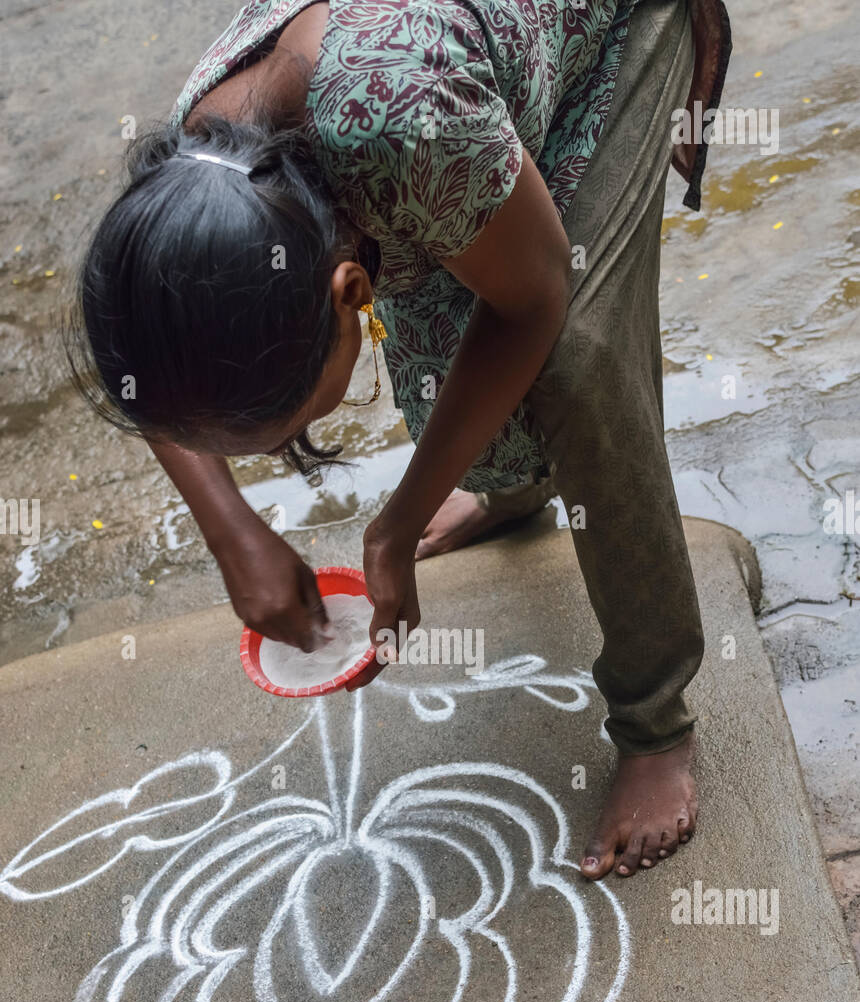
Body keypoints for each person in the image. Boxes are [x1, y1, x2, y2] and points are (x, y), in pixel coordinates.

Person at [66, 0, 732, 879]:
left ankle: (655, 724)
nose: (276, 455)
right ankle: (514, 486)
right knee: (470, 344)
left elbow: (531, 298)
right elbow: (152, 359)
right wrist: (231, 530)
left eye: (292, 427)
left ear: (351, 294)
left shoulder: (407, 131)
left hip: (609, 29)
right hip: (450, 96)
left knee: (571, 363)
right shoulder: (201, 173)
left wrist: (398, 522)